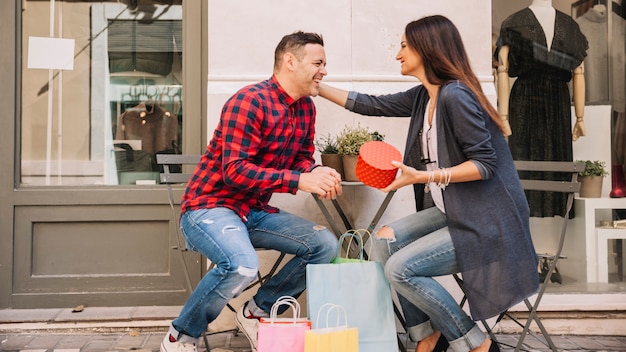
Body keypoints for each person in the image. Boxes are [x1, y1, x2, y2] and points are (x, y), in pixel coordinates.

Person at [318, 15, 538, 352]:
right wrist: (315, 86)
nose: (398, 54)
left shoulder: (456, 97)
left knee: (401, 269)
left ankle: (476, 344)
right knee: (383, 242)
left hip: (487, 220)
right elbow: (371, 104)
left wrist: (425, 176)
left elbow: (485, 165)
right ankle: (427, 337)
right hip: (455, 209)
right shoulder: (426, 96)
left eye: (404, 45)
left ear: (426, 48)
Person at [160, 31, 341, 352]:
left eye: (324, 64)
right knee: (242, 264)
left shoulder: (305, 109)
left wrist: (314, 171)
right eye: (318, 63)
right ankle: (181, 336)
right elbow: (235, 171)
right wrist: (299, 181)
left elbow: (300, 158)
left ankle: (256, 312)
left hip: (253, 212)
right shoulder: (249, 102)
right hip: (208, 208)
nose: (324, 70)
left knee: (324, 245)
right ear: (290, 61)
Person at [495, 0, 588, 217]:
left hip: (558, 101)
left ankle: (555, 208)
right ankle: (522, 211)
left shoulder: (569, 25)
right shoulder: (513, 22)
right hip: (525, 97)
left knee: (557, 156)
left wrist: (580, 118)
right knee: (524, 155)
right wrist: (503, 116)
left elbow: (578, 71)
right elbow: (502, 68)